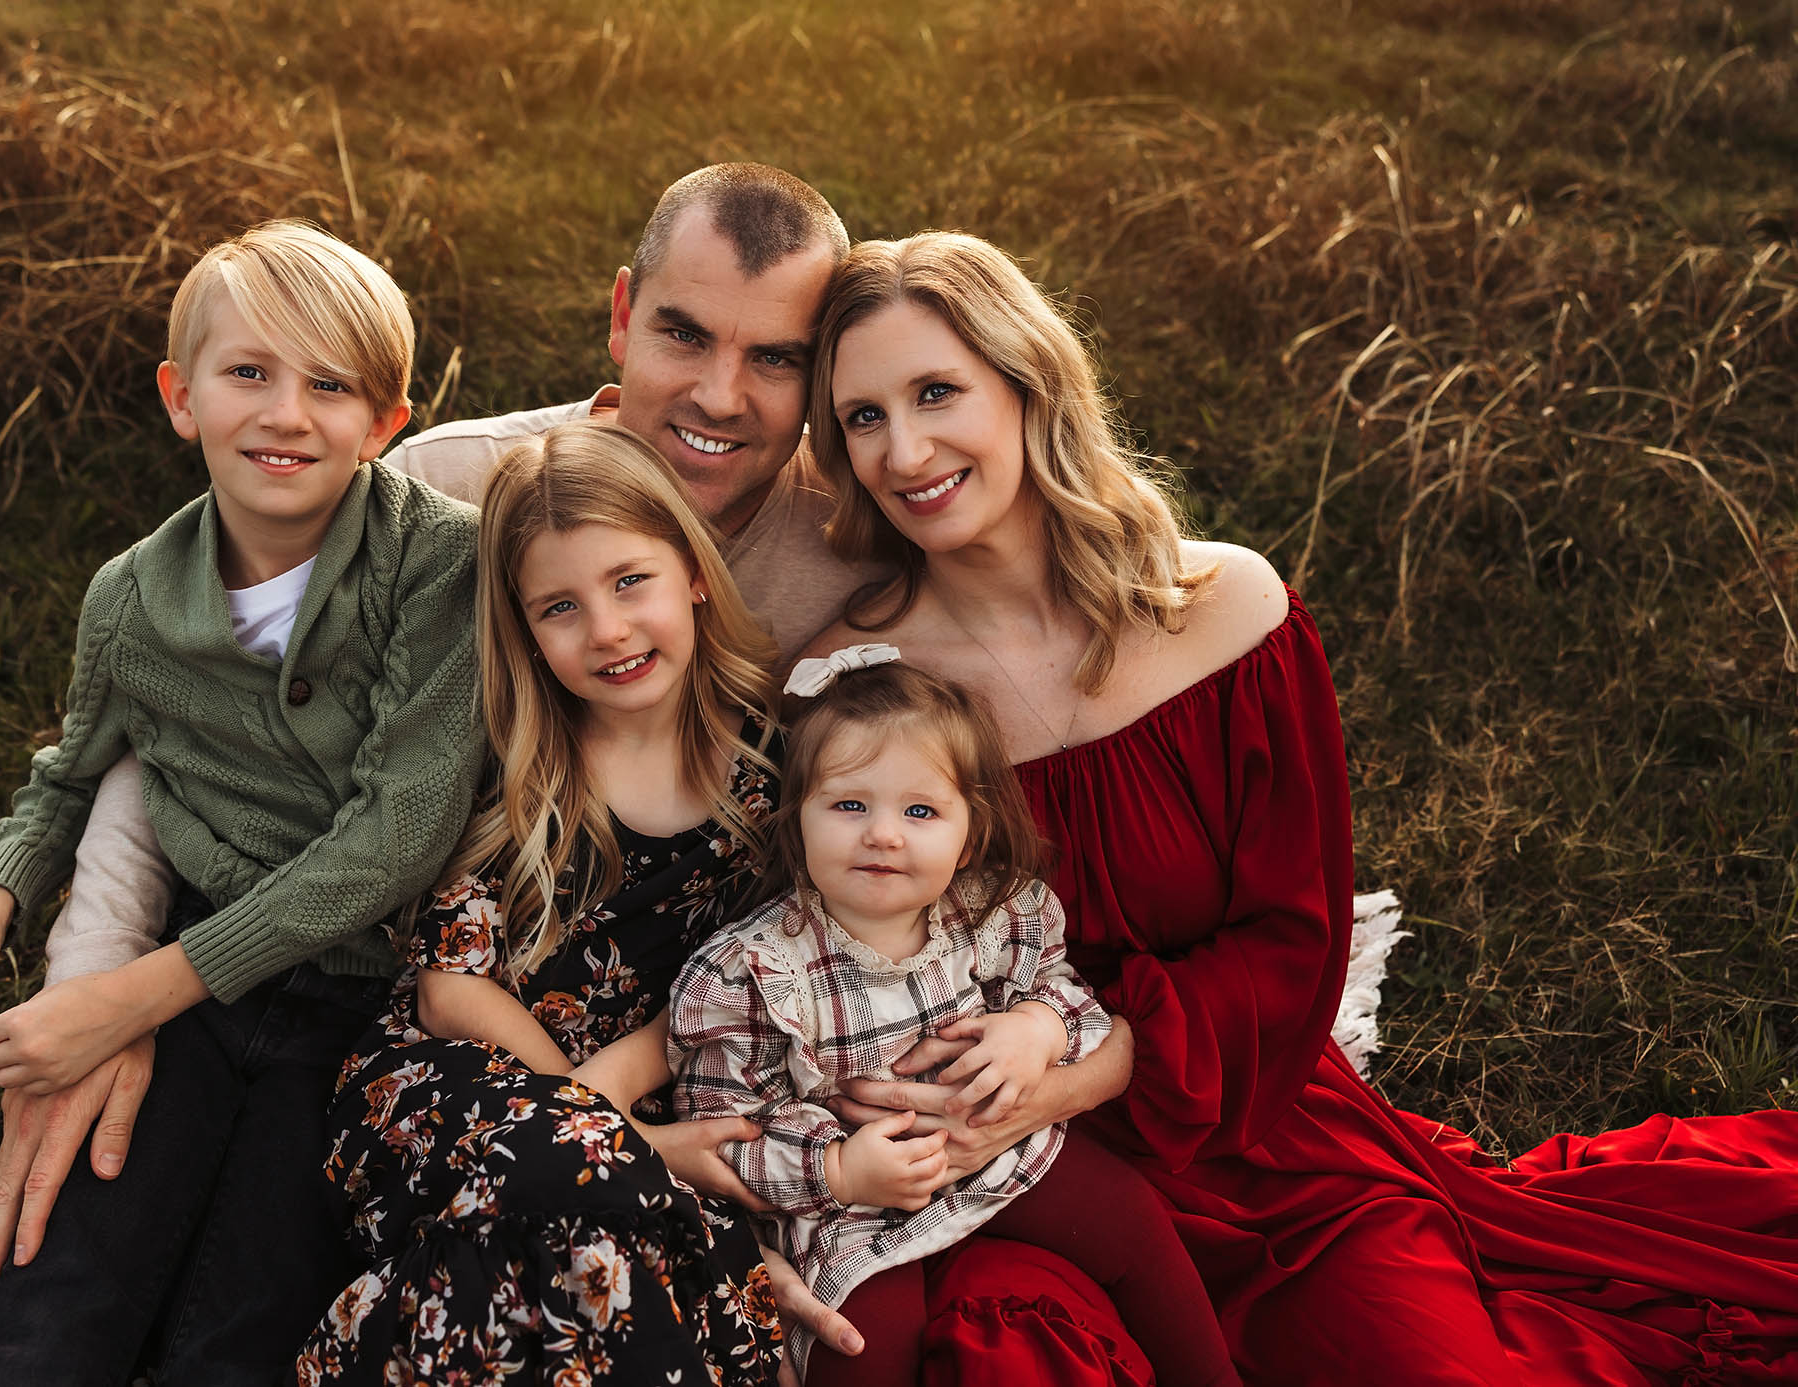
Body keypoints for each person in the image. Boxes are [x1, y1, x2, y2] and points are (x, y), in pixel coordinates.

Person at [0, 164, 877, 1387]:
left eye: (778, 358)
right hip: (346, 984)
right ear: (624, 313)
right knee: (18, 1249)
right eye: (684, 332)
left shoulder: (849, 555)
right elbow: (182, 740)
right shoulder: (454, 494)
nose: (719, 394)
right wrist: (109, 991)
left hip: (532, 1046)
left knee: (251, 1313)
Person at [797, 229, 1798, 1384]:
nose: (904, 449)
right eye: (862, 417)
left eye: (935, 392)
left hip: (1251, 1125)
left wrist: (1072, 1071)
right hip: (1015, 1183)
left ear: (1026, 382)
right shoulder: (851, 685)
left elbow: (1294, 941)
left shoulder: (1225, 615)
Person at [0, 219, 487, 1385]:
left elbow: (396, 836)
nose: (285, 413)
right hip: (199, 987)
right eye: (248, 372)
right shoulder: (130, 599)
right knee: (61, 1288)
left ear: (386, 422)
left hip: (372, 1005)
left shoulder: (434, 563)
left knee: (251, 1315)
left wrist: (125, 997)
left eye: (330, 384)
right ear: (181, 395)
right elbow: (69, 770)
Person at [295, 421, 784, 1384]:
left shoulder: (769, 768)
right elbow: (448, 993)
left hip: (622, 1110)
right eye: (560, 606)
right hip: (445, 1091)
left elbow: (754, 961)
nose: (605, 629)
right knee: (612, 1211)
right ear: (523, 627)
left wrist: (618, 1107)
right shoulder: (514, 765)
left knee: (588, 1273)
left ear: (692, 569)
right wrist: (601, 1121)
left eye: (630, 580)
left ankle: (370, 1349)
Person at [669, 652, 1240, 1387]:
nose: (883, 834)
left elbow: (1070, 993)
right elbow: (720, 1126)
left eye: (920, 811)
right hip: (853, 1208)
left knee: (1132, 1218)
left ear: (968, 836)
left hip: (1002, 1147)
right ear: (797, 820)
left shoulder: (991, 913)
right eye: (849, 805)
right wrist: (837, 1168)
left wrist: (1041, 1026)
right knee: (860, 1347)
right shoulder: (753, 971)